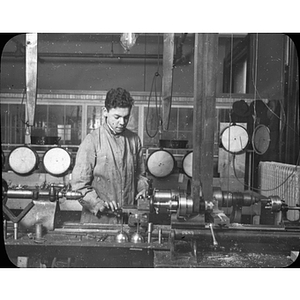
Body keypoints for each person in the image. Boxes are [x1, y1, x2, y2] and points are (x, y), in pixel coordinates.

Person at [71, 87, 149, 223]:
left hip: (128, 219)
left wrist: (143, 189)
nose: (122, 122)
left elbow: (140, 176)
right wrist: (98, 204)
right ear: (105, 112)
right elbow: (79, 186)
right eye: (117, 117)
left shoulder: (134, 140)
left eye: (126, 117)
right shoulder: (92, 140)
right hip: (98, 219)